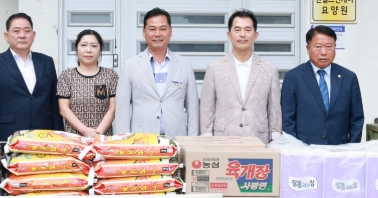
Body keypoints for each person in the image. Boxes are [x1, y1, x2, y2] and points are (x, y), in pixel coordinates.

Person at [115, 8, 199, 138]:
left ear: (170, 32)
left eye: (163, 29)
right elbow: (122, 110)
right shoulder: (130, 65)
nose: (157, 34)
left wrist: (192, 141)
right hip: (142, 140)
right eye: (152, 29)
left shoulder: (184, 65)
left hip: (177, 139)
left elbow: (193, 109)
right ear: (144, 32)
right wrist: (123, 142)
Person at [200, 9, 281, 144]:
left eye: (247, 30)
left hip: (258, 140)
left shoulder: (269, 69)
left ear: (255, 35)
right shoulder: (214, 68)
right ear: (229, 35)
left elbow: (274, 108)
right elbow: (207, 108)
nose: (242, 34)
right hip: (223, 140)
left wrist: (275, 138)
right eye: (237, 30)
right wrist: (206, 137)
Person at [0, 13, 63, 141]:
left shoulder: (46, 62)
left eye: (27, 31)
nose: (22, 35)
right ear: (6, 36)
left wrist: (59, 137)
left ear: (33, 35)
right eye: (16, 31)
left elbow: (54, 105)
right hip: (10, 135)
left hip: (45, 135)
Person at [281, 25, 364, 145]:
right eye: (318, 47)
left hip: (340, 148)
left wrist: (351, 148)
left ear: (335, 47)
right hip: (304, 148)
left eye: (329, 47)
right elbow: (287, 119)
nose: (323, 52)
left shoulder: (348, 77)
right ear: (308, 48)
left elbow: (357, 118)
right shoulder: (293, 77)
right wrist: (295, 148)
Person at [57, 30, 119, 137]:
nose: (88, 50)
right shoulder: (66, 76)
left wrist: (98, 133)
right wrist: (85, 131)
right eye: (83, 45)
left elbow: (113, 108)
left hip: (103, 138)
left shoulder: (110, 75)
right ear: (76, 48)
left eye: (94, 46)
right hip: (74, 138)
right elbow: (64, 109)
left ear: (100, 49)